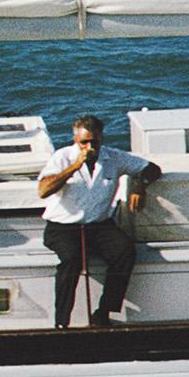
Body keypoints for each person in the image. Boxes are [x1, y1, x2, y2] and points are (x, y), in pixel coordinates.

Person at [36, 115, 158, 328]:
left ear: (102, 138)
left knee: (125, 251)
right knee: (71, 260)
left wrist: (140, 185)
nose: (90, 146)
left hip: (99, 225)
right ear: (75, 140)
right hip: (63, 227)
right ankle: (62, 320)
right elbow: (43, 190)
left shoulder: (114, 157)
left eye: (95, 141)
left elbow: (151, 169)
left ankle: (104, 311)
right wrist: (74, 166)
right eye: (84, 142)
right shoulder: (62, 157)